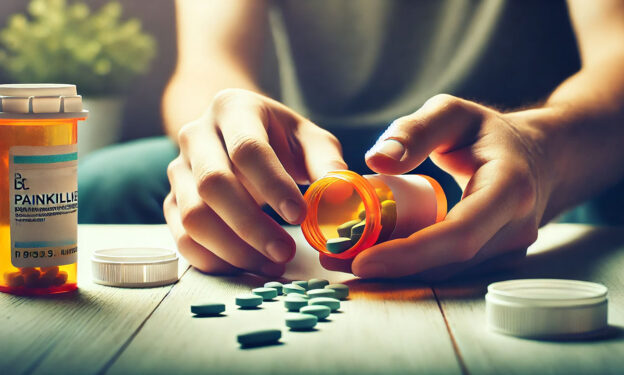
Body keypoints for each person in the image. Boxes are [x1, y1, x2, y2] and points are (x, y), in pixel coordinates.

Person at [79, 0, 624, 279]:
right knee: (101, 184)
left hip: (505, 146)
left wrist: (541, 152)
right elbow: (207, 64)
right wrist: (226, 133)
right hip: (312, 164)